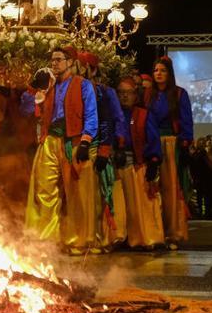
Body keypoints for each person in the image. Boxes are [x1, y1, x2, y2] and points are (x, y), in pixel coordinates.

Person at [23, 46, 99, 254]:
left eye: (58, 59)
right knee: (44, 189)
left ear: (71, 62)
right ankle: (45, 241)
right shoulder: (50, 86)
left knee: (76, 193)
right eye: (52, 60)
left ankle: (78, 241)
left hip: (72, 142)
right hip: (50, 141)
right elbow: (29, 110)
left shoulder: (83, 85)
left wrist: (85, 141)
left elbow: (92, 115)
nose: (54, 63)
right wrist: (33, 89)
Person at [78, 51, 127, 249]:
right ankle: (81, 237)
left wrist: (106, 149)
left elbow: (115, 120)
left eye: (82, 66)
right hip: (77, 148)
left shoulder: (105, 92)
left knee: (98, 197)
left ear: (92, 69)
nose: (78, 70)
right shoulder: (74, 89)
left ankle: (99, 238)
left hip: (97, 146)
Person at [144, 56, 193, 249]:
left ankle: (173, 233)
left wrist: (186, 143)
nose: (158, 73)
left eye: (162, 70)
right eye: (156, 70)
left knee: (170, 189)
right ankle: (154, 233)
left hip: (171, 145)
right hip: (151, 144)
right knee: (151, 189)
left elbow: (187, 122)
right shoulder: (148, 95)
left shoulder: (180, 94)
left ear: (169, 73)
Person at [115, 77, 164, 249]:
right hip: (116, 165)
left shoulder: (143, 115)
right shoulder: (113, 114)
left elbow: (153, 140)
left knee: (141, 205)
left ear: (136, 95)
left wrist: (153, 162)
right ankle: (120, 237)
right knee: (119, 206)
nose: (124, 96)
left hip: (137, 165)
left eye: (128, 93)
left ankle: (144, 238)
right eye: (121, 93)